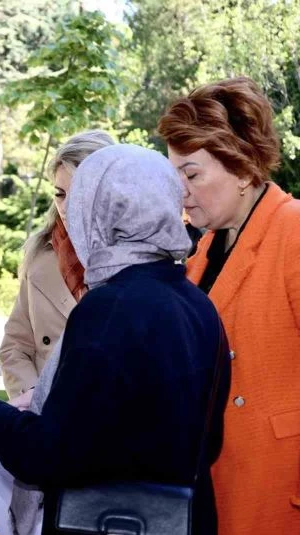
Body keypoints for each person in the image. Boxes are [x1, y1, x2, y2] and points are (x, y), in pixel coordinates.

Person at [0, 144, 231, 535]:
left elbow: (50, 453)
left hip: (110, 521)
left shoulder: (107, 308)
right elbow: (204, 439)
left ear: (95, 212)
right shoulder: (198, 304)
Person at [158, 76, 300, 535]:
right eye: (173, 173)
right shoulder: (201, 251)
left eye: (191, 173)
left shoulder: (294, 233)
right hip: (211, 486)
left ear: (241, 168)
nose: (178, 189)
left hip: (278, 491)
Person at [0, 130, 114, 399]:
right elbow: (15, 346)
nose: (67, 206)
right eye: (60, 194)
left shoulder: (136, 260)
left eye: (80, 194)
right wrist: (33, 397)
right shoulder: (40, 255)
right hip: (47, 419)